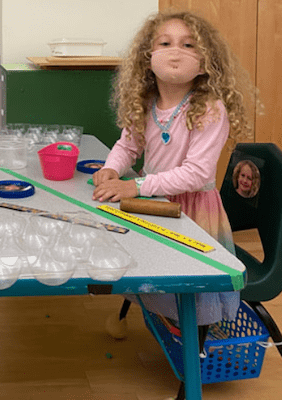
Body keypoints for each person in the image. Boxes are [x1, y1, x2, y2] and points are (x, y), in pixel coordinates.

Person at [92, 10, 257, 327]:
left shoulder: (210, 108)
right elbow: (128, 145)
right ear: (148, 55)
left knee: (190, 286)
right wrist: (112, 169)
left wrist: (134, 186)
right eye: (165, 43)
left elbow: (197, 174)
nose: (176, 52)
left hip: (193, 211)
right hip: (155, 205)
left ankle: (196, 337)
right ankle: (166, 321)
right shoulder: (146, 101)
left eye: (189, 45)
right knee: (155, 271)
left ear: (206, 59)